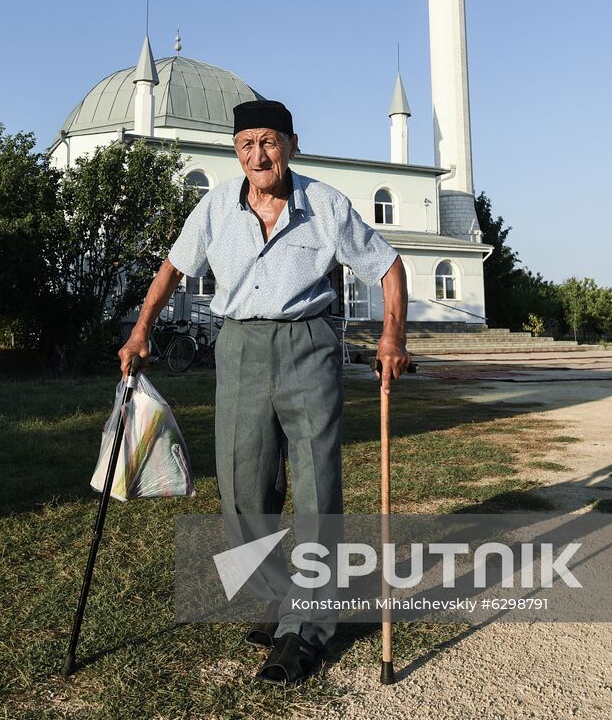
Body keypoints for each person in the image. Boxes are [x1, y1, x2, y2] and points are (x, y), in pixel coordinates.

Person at [117, 98, 410, 685]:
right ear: (236, 151)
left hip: (308, 345)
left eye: (270, 142)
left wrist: (392, 335)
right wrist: (142, 326)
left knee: (316, 484)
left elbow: (388, 265)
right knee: (243, 485)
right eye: (248, 144)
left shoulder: (325, 205)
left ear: (292, 146)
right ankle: (279, 600)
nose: (259, 154)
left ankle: (307, 627)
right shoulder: (215, 206)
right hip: (240, 348)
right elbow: (174, 267)